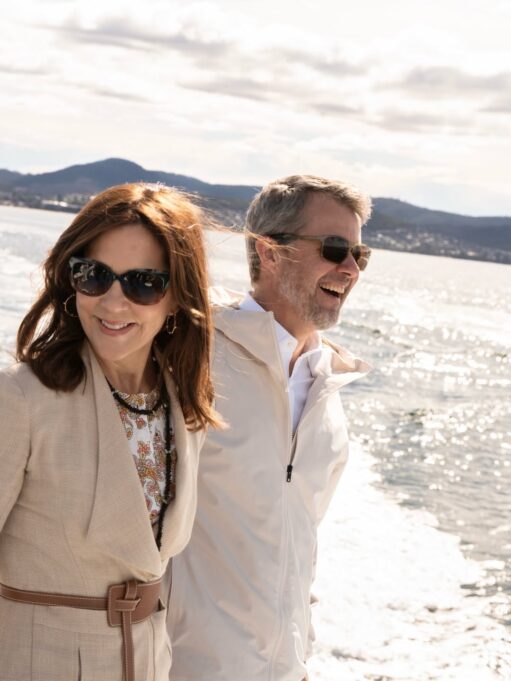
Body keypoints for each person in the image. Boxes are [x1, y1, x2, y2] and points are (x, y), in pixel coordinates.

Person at [0, 182, 220, 681]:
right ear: (71, 280)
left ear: (177, 297)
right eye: (94, 276)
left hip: (148, 664)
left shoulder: (185, 406)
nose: (113, 303)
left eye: (143, 283)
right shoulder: (20, 398)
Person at [168, 174, 372, 680]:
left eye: (359, 255)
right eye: (334, 249)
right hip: (184, 666)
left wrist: (298, 656)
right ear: (270, 251)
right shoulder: (191, 353)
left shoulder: (327, 387)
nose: (350, 268)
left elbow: (300, 543)